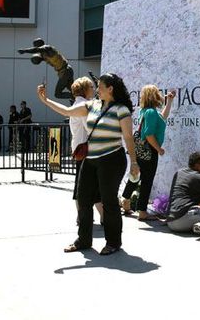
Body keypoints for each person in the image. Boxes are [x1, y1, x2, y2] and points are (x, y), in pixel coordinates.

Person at [37, 73, 138, 255]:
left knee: (109, 201)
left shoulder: (121, 109)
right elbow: (68, 112)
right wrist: (46, 101)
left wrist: (134, 163)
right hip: (90, 160)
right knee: (83, 199)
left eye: (99, 86)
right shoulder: (92, 105)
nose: (97, 89)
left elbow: (128, 137)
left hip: (112, 159)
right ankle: (83, 240)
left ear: (110, 89)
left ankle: (113, 242)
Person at [121, 86, 176, 220]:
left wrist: (169, 101)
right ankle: (142, 211)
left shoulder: (145, 111)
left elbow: (163, 117)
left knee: (136, 175)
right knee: (147, 180)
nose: (159, 94)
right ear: (154, 95)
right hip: (149, 150)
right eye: (157, 92)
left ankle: (126, 201)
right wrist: (159, 149)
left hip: (141, 149)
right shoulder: (151, 112)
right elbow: (149, 134)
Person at [65, 77, 104, 224]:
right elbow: (90, 128)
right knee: (93, 185)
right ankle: (99, 216)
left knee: (83, 185)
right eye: (92, 87)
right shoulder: (83, 106)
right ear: (85, 90)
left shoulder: (77, 104)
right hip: (87, 151)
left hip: (80, 150)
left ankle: (84, 216)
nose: (94, 90)